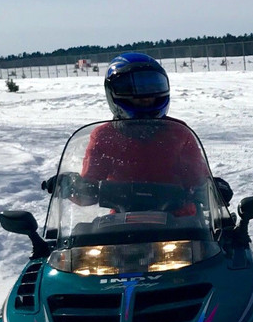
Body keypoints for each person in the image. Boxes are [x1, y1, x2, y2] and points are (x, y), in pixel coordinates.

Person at [41, 52, 231, 206]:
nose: (145, 97)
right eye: (134, 92)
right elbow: (88, 189)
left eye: (152, 88)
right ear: (113, 92)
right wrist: (71, 186)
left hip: (180, 224)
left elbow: (197, 180)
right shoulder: (105, 136)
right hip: (121, 227)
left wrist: (212, 189)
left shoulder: (178, 133)